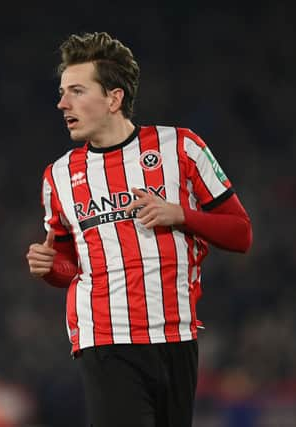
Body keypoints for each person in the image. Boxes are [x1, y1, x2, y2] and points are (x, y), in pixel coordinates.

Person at [26, 31, 252, 427]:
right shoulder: (59, 176)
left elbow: (241, 233)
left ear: (114, 98)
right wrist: (49, 268)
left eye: (77, 91)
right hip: (106, 339)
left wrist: (181, 214)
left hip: (176, 336)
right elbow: (66, 268)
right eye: (62, 92)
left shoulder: (181, 148)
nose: (63, 103)